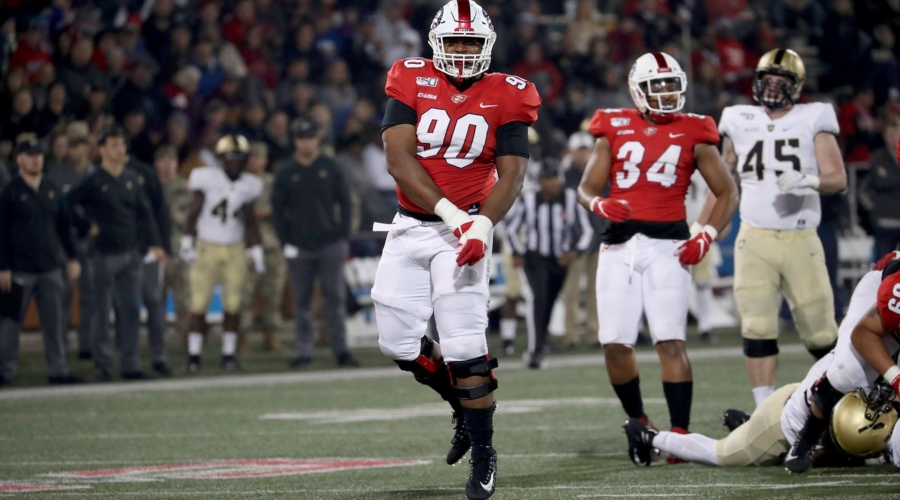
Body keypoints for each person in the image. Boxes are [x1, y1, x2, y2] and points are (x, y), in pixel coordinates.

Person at [370, 1, 541, 498]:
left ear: (486, 46)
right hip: (415, 225)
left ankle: (485, 453)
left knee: (465, 344)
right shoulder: (408, 77)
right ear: (435, 44)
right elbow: (399, 161)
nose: (463, 53)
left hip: (465, 233)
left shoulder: (509, 93)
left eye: (471, 43)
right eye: (454, 43)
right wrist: (458, 217)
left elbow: (513, 172)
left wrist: (482, 225)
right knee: (398, 345)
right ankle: (463, 410)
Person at [577, 51, 739, 466]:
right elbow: (586, 188)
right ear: (637, 90)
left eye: (671, 85)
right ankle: (639, 421)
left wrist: (706, 235)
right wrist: (599, 206)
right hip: (619, 245)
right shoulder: (611, 125)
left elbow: (727, 192)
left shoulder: (695, 129)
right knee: (614, 343)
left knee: (670, 340)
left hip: (669, 246)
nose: (666, 93)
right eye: (657, 86)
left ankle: (681, 434)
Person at [708, 49, 847, 407]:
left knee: (819, 330)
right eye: (766, 81)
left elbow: (838, 178)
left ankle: (843, 400)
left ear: (796, 86)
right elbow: (724, 181)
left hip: (800, 236)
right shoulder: (738, 120)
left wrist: (807, 179)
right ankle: (764, 409)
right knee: (756, 325)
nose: (771, 88)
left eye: (780, 82)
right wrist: (704, 228)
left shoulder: (812, 117)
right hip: (753, 236)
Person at [784, 253, 900, 472]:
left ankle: (886, 444)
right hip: (881, 295)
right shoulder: (895, 292)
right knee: (848, 370)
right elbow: (864, 334)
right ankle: (807, 438)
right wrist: (895, 377)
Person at [67, 126, 165, 381]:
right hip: (102, 255)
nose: (120, 150)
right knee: (102, 312)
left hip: (131, 254)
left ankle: (131, 365)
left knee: (131, 310)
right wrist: (86, 226)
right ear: (101, 150)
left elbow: (145, 213)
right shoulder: (94, 181)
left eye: (122, 145)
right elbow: (66, 204)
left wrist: (154, 243)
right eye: (114, 145)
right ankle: (103, 365)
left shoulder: (132, 179)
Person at [271, 118, 359, 368]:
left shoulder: (330, 167)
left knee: (335, 298)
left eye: (309, 137)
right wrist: (285, 240)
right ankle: (304, 352)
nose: (305, 143)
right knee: (302, 302)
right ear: (295, 141)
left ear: (316, 139)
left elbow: (346, 202)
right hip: (299, 246)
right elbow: (278, 211)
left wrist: (343, 237)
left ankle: (341, 350)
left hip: (330, 243)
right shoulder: (286, 172)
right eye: (300, 138)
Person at [0, 134, 83, 385]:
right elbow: (0, 232)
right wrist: (2, 266)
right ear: (20, 159)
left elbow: (64, 225)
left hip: (49, 268)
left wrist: (72, 257)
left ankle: (58, 370)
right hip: (18, 269)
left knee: (55, 323)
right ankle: (6, 372)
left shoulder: (51, 189)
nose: (36, 160)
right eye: (30, 156)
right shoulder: (10, 192)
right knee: (9, 325)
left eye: (38, 155)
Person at [180, 134, 264, 372]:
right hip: (206, 245)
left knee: (233, 304)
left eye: (239, 159)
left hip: (235, 246)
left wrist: (255, 249)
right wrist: (187, 241)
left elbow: (249, 221)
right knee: (198, 303)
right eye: (231, 158)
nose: (235, 163)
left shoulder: (250, 184)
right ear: (221, 159)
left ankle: (228, 354)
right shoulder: (205, 178)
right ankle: (194, 356)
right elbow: (193, 210)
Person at [504, 158, 593, 368]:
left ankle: (540, 344)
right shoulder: (529, 200)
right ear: (539, 181)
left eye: (553, 178)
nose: (550, 183)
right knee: (539, 298)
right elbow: (510, 229)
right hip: (535, 257)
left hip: (560, 260)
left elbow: (587, 231)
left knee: (549, 302)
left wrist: (575, 252)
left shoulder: (571, 199)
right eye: (546, 179)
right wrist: (517, 252)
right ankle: (534, 351)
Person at [45, 127, 95, 359]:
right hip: (64, 242)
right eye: (72, 145)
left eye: (79, 145)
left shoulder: (96, 173)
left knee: (90, 294)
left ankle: (87, 345)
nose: (75, 150)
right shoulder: (56, 175)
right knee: (62, 295)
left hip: (91, 242)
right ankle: (61, 345)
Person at [128, 148, 172, 377]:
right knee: (126, 306)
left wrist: (164, 246)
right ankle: (129, 359)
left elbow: (161, 212)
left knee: (154, 301)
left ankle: (158, 355)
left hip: (148, 249)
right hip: (119, 250)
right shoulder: (100, 177)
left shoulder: (143, 174)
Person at [240, 141, 285, 353]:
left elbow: (283, 208)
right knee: (244, 294)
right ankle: (242, 339)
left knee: (272, 293)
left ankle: (271, 337)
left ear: (265, 160)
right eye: (252, 157)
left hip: (272, 244)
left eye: (259, 157)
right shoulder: (239, 182)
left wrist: (263, 213)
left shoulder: (274, 183)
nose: (255, 161)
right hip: (245, 244)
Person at [561, 131, 603, 348]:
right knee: (572, 291)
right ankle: (572, 334)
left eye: (586, 149)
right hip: (574, 244)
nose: (583, 154)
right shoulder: (564, 177)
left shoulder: (600, 173)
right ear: (571, 152)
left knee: (597, 290)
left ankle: (596, 333)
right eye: (580, 150)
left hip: (599, 239)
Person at [155, 145, 192, 346]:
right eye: (163, 161)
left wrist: (171, 216)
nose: (167, 166)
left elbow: (190, 219)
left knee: (184, 299)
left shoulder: (185, 188)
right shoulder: (151, 188)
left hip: (180, 251)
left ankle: (187, 340)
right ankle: (157, 341)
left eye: (171, 161)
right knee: (155, 299)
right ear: (157, 164)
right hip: (156, 252)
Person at [866, 121, 900, 259]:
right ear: (885, 136)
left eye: (897, 133)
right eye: (890, 133)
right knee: (883, 268)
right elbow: (878, 181)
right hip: (884, 220)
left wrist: (888, 179)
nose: (894, 137)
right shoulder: (877, 157)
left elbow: (885, 180)